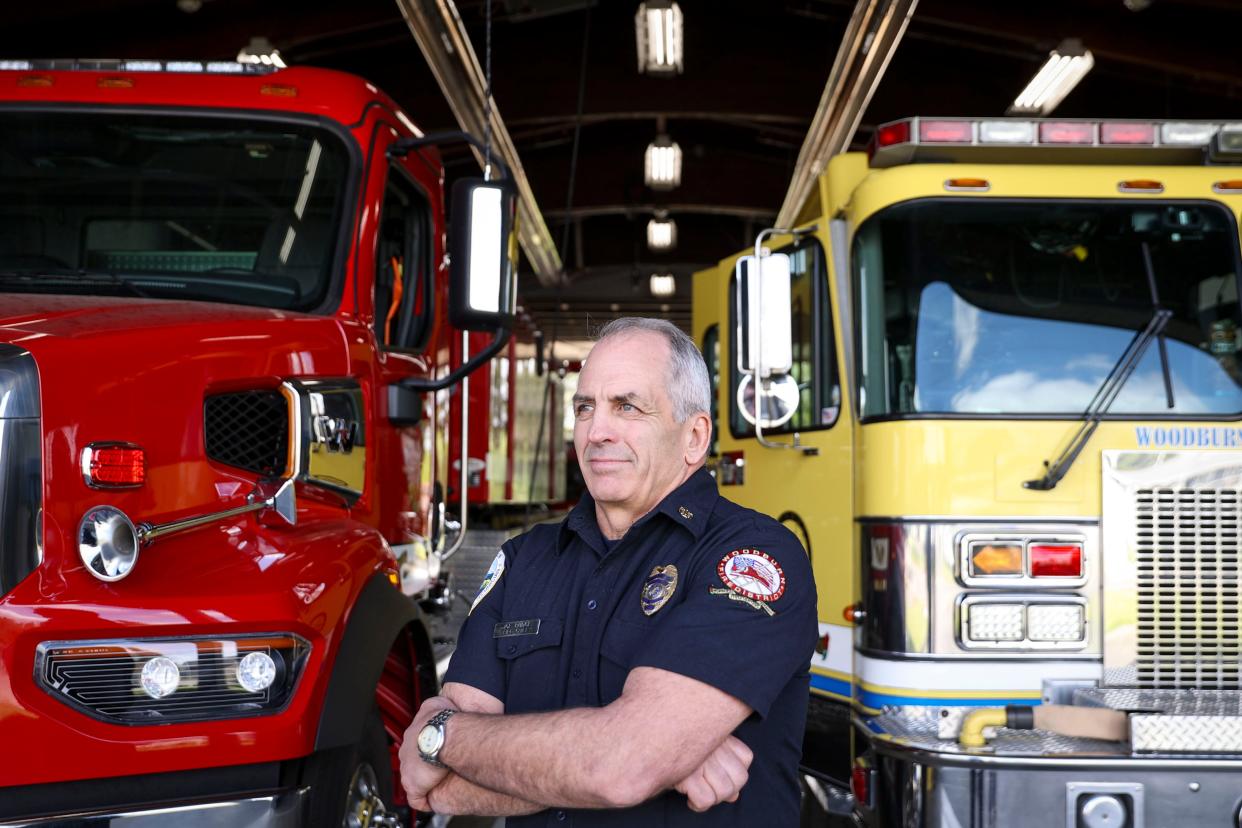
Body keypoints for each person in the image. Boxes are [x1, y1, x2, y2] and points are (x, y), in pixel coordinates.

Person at [398, 317, 818, 826]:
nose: (597, 431)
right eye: (585, 407)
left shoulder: (752, 557)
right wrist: (657, 759)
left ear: (694, 436)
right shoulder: (523, 560)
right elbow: (437, 786)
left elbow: (622, 768)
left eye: (627, 407)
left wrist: (442, 735)